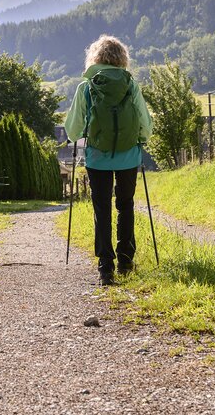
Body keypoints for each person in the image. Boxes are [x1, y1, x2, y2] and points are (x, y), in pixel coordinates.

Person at [64, 35, 152, 286]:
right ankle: (126, 260)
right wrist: (140, 139)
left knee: (101, 208)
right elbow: (144, 123)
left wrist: (81, 135)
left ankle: (106, 268)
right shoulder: (130, 84)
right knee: (125, 205)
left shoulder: (87, 87)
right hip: (128, 156)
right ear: (122, 58)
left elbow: (73, 130)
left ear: (95, 58)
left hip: (97, 158)